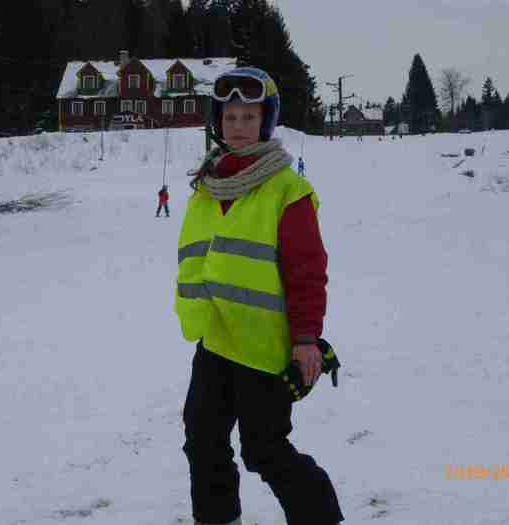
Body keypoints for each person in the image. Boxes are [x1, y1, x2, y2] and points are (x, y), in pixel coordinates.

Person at [175, 67, 344, 525]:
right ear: (218, 122)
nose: (239, 126)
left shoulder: (287, 189)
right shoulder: (207, 187)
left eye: (249, 117)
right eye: (230, 117)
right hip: (215, 341)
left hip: (264, 347)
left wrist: (306, 339)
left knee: (264, 449)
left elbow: (307, 271)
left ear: (266, 121)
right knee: (202, 440)